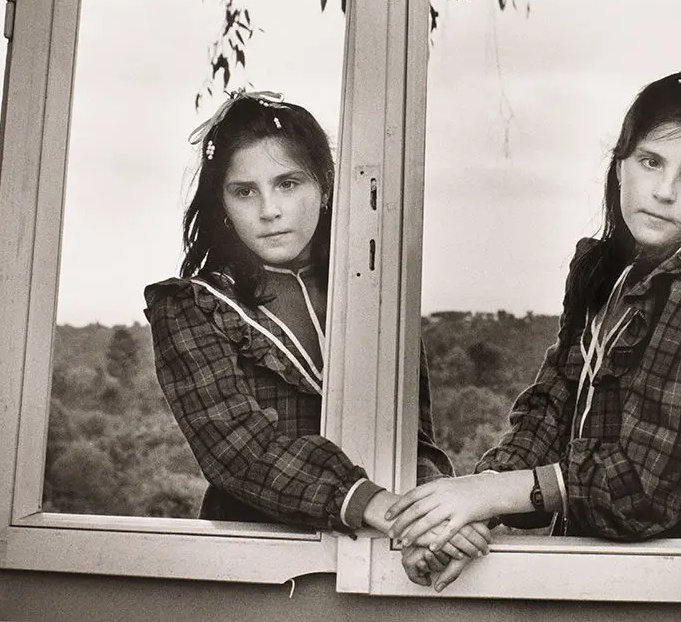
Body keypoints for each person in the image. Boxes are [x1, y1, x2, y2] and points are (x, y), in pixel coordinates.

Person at [385, 69, 681, 589]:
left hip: (673, 586)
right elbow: (551, 406)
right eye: (650, 161)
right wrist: (469, 512)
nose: (664, 191)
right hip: (586, 572)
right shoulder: (606, 269)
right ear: (619, 167)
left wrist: (490, 496)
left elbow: (644, 489)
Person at [143, 90, 489, 583]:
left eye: (288, 184)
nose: (269, 210)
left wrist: (437, 519)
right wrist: (398, 516)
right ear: (220, 202)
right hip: (257, 570)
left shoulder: (374, 296)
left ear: (324, 188)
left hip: (387, 559)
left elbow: (415, 437)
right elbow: (240, 451)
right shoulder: (190, 306)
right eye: (244, 191)